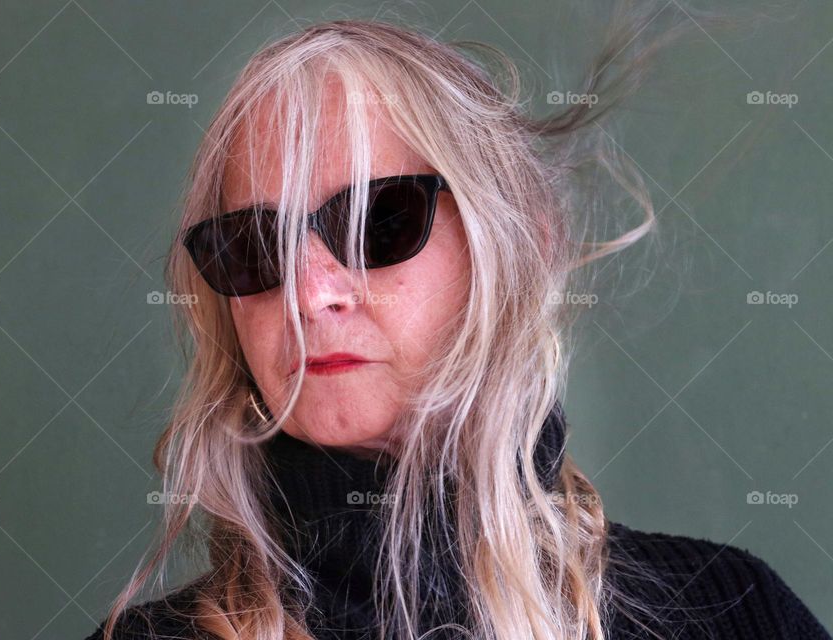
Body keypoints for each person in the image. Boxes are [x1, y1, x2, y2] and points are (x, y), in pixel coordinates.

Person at [85, 14, 830, 640]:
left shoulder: (728, 614)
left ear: (517, 244)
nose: (310, 296)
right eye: (251, 248)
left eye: (379, 221)